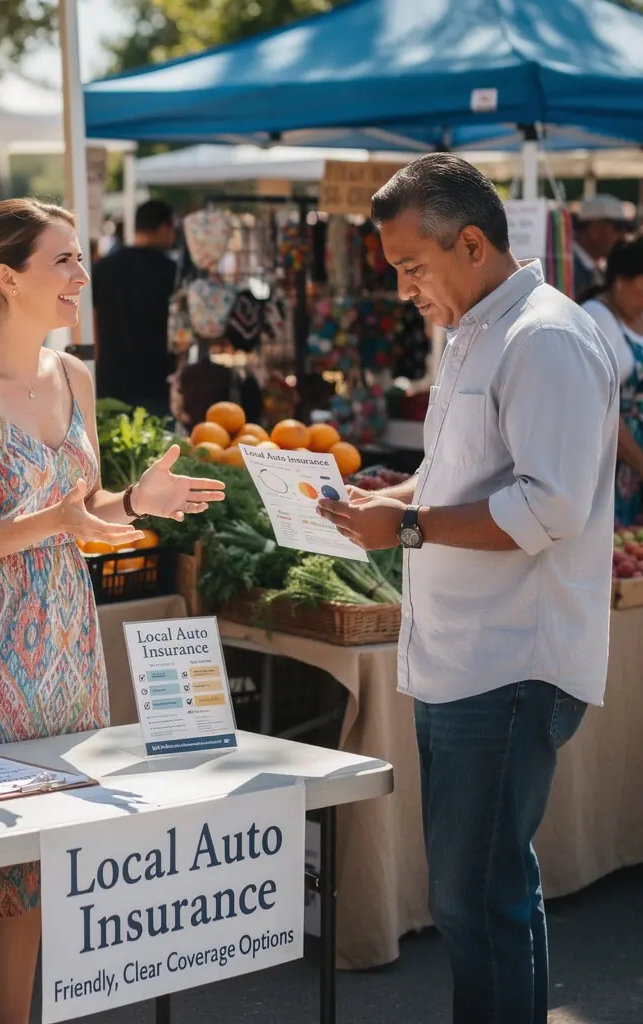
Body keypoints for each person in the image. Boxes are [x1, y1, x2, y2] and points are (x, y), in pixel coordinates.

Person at [317, 154, 618, 1024]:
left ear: (474, 243)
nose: (404, 287)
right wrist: (395, 497)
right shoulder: (481, 327)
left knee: (476, 904)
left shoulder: (544, 337)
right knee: (490, 896)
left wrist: (404, 527)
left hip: (509, 666)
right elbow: (464, 471)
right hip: (467, 660)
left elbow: (547, 506)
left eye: (412, 266)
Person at [0, 198, 225, 1024]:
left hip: (65, 639)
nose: (82, 278)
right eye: (65, 263)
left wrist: (135, 499)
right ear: (8, 278)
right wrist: (58, 520)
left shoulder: (74, 375)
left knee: (36, 862)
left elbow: (86, 509)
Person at [92, 199, 178, 416]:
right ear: (164, 228)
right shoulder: (171, 271)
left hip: (110, 379)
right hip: (156, 380)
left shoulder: (105, 267)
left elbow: (91, 320)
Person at [581, 235, 643, 525]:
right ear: (620, 280)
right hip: (616, 461)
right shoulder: (597, 317)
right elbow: (599, 408)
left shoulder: (637, 315)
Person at [573, 194, 628, 303]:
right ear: (595, 229)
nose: (622, 236)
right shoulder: (565, 267)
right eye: (618, 228)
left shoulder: (597, 269)